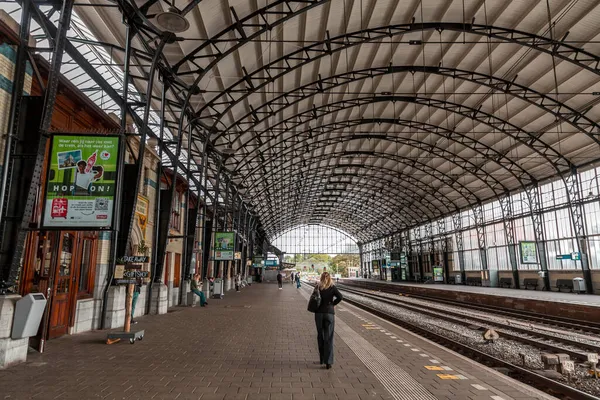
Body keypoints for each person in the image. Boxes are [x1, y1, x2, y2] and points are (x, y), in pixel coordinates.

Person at [313, 272, 343, 369]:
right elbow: (340, 297)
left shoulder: (318, 286)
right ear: (330, 278)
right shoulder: (332, 287)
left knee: (320, 336)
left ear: (321, 278)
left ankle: (322, 359)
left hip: (319, 314)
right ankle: (328, 362)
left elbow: (314, 298)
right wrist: (333, 304)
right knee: (328, 337)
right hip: (329, 314)